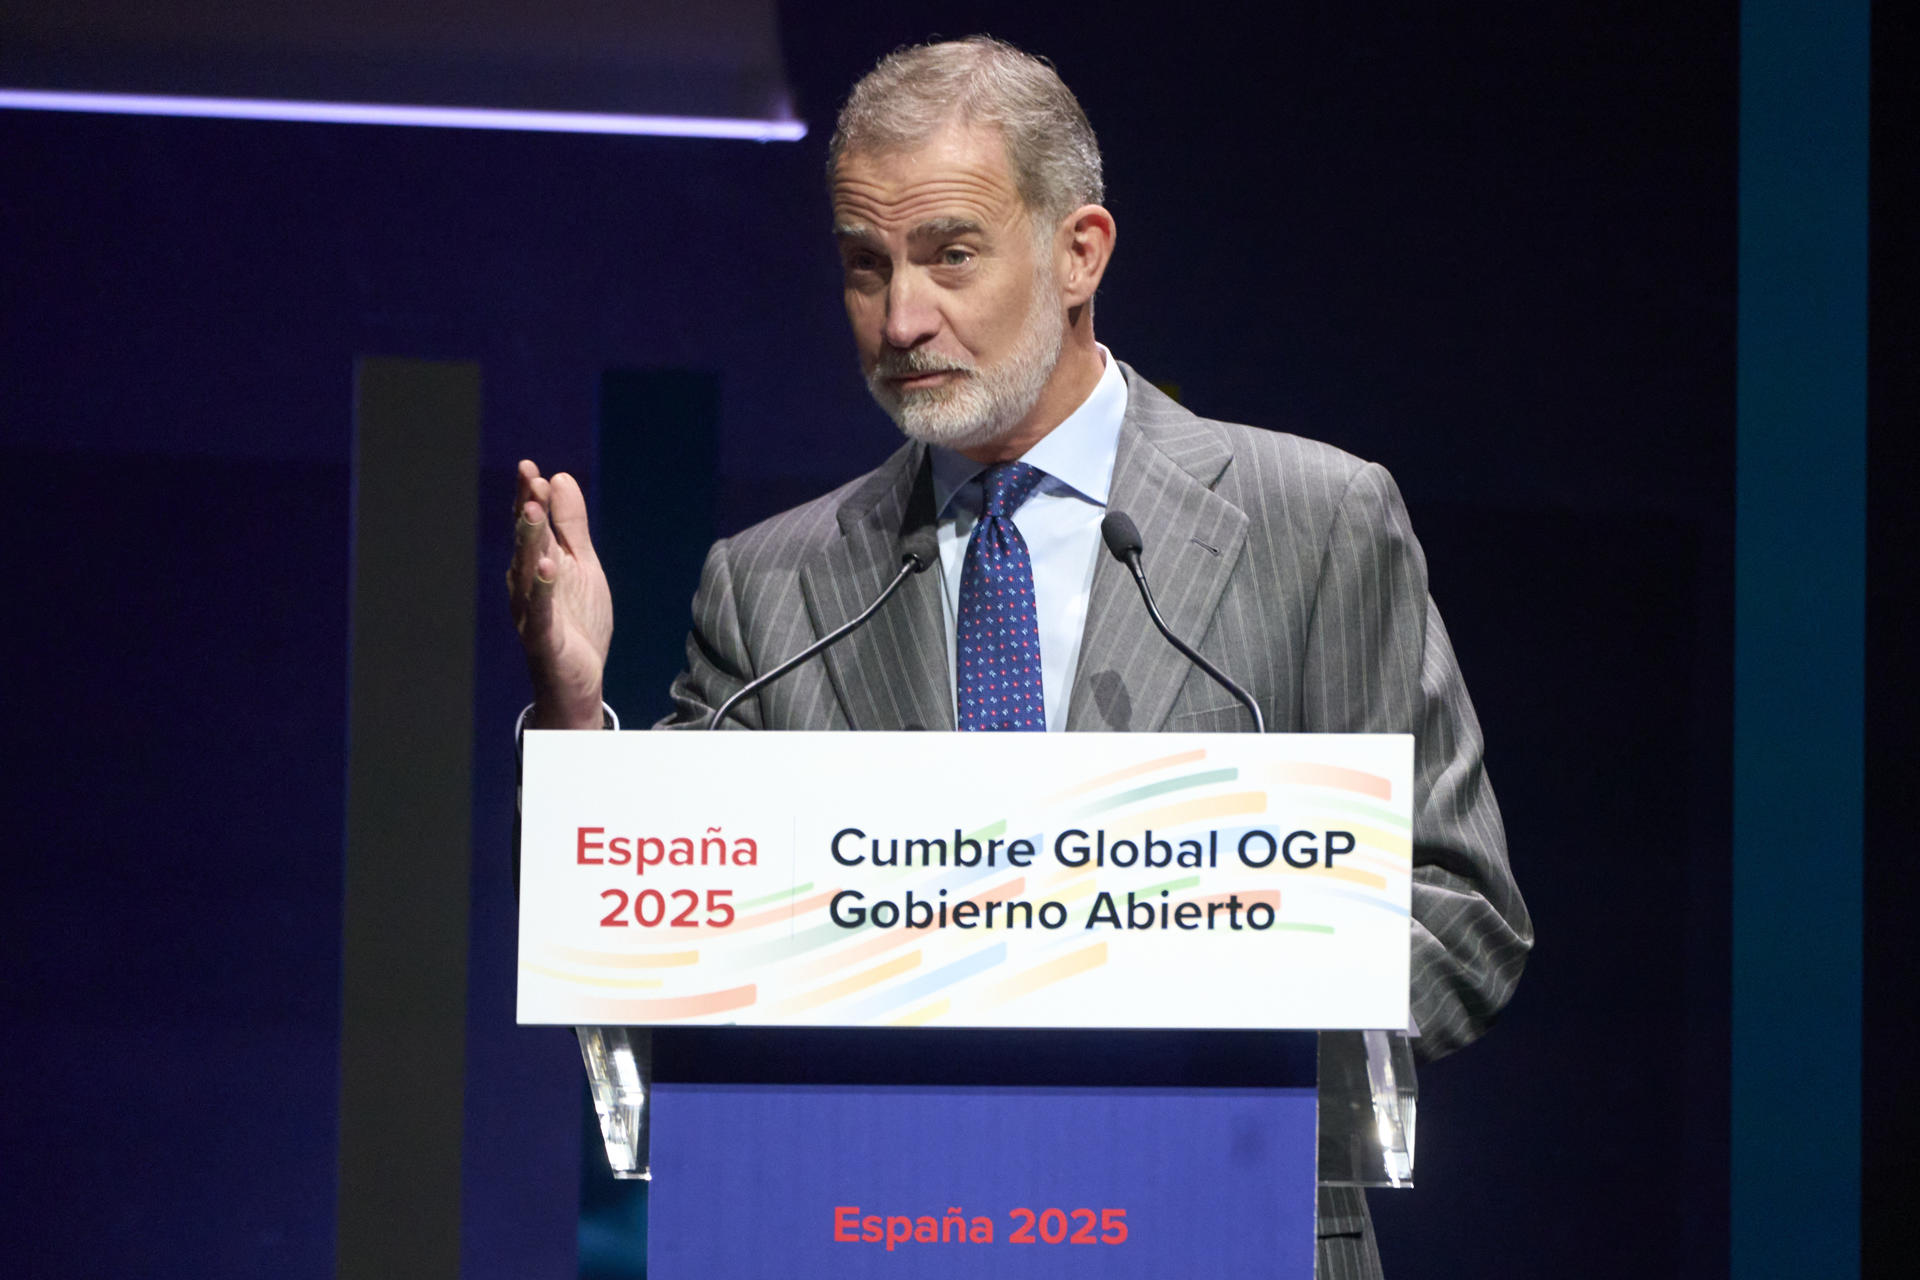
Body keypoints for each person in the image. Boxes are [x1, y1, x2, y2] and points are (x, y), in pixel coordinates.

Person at [507, 36, 1531, 1280]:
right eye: (864, 266)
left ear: (1078, 252)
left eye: (950, 254)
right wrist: (575, 721)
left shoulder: (1314, 522)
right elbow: (671, 939)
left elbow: (1462, 910)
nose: (901, 317)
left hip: (1226, 1228)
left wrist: (1190, 1048)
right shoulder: (774, 584)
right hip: (875, 1240)